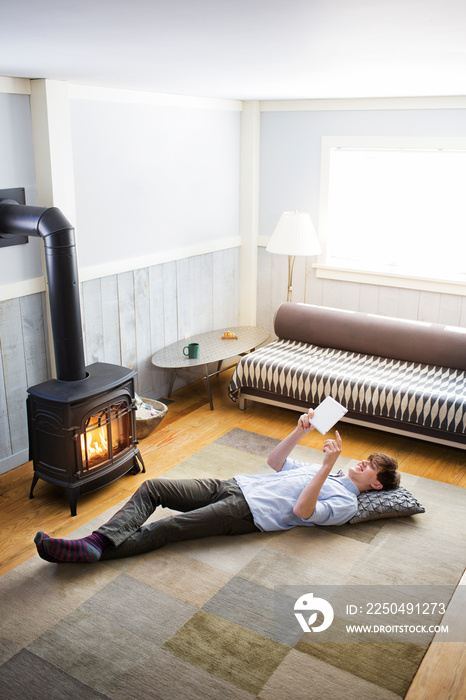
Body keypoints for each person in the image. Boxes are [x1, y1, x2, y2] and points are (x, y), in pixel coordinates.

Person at [34, 408, 400, 564]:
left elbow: (302, 512)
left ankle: (93, 548)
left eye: (373, 467)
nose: (364, 462)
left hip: (245, 513)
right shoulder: (332, 474)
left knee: (169, 528)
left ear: (377, 486)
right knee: (154, 487)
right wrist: (300, 430)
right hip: (232, 485)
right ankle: (98, 543)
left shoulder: (345, 501)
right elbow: (274, 463)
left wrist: (324, 467)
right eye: (368, 458)